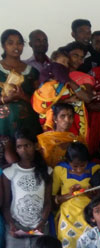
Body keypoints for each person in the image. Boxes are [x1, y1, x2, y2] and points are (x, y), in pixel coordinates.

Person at [2, 130, 51, 248]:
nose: (23, 150)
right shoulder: (10, 172)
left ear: (35, 146)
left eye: (27, 145)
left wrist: (41, 223)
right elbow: (6, 204)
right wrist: (11, 225)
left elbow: (47, 201)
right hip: (16, 225)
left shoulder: (46, 171)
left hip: (39, 225)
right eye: (19, 147)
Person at [52, 142, 100, 248]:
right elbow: (53, 198)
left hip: (89, 215)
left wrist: (91, 194)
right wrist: (69, 194)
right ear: (68, 162)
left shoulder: (96, 169)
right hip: (68, 217)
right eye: (75, 166)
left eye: (82, 165)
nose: (79, 169)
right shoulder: (60, 169)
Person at [32, 48, 93, 147]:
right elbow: (45, 101)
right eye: (75, 55)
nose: (78, 60)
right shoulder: (50, 77)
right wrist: (67, 100)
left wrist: (69, 80)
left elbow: (87, 98)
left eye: (81, 57)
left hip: (75, 121)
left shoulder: (80, 77)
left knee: (74, 149)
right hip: (55, 121)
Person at [0, 29, 41, 164]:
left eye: (19, 43)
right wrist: (7, 99)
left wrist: (23, 97)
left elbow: (40, 102)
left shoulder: (32, 72)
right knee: (5, 165)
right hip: (3, 126)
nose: (16, 47)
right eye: (10, 43)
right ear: (3, 46)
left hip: (28, 124)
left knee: (28, 162)